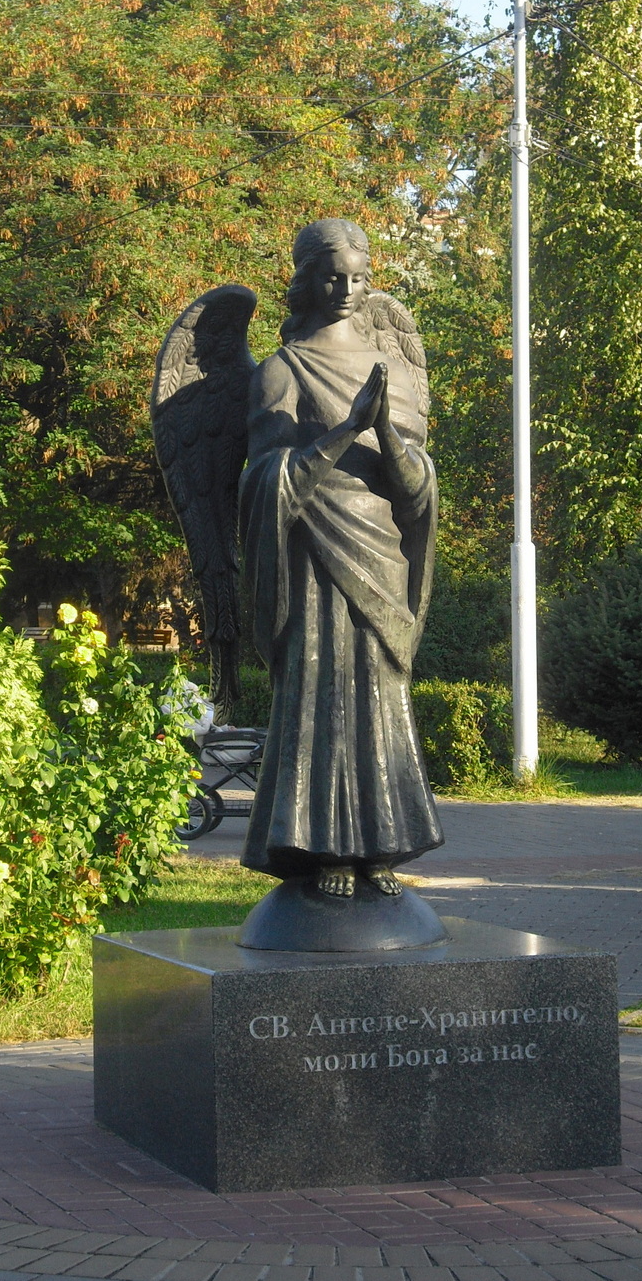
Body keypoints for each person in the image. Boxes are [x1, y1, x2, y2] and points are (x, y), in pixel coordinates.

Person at [239, 219, 444, 896]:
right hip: (315, 559)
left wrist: (384, 428)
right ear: (307, 278)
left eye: (359, 277)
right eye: (334, 276)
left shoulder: (391, 371)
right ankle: (323, 849)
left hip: (381, 554)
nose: (349, 290)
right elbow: (265, 479)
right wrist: (345, 430)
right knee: (321, 698)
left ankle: (381, 845)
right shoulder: (282, 370)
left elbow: (416, 491)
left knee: (381, 699)